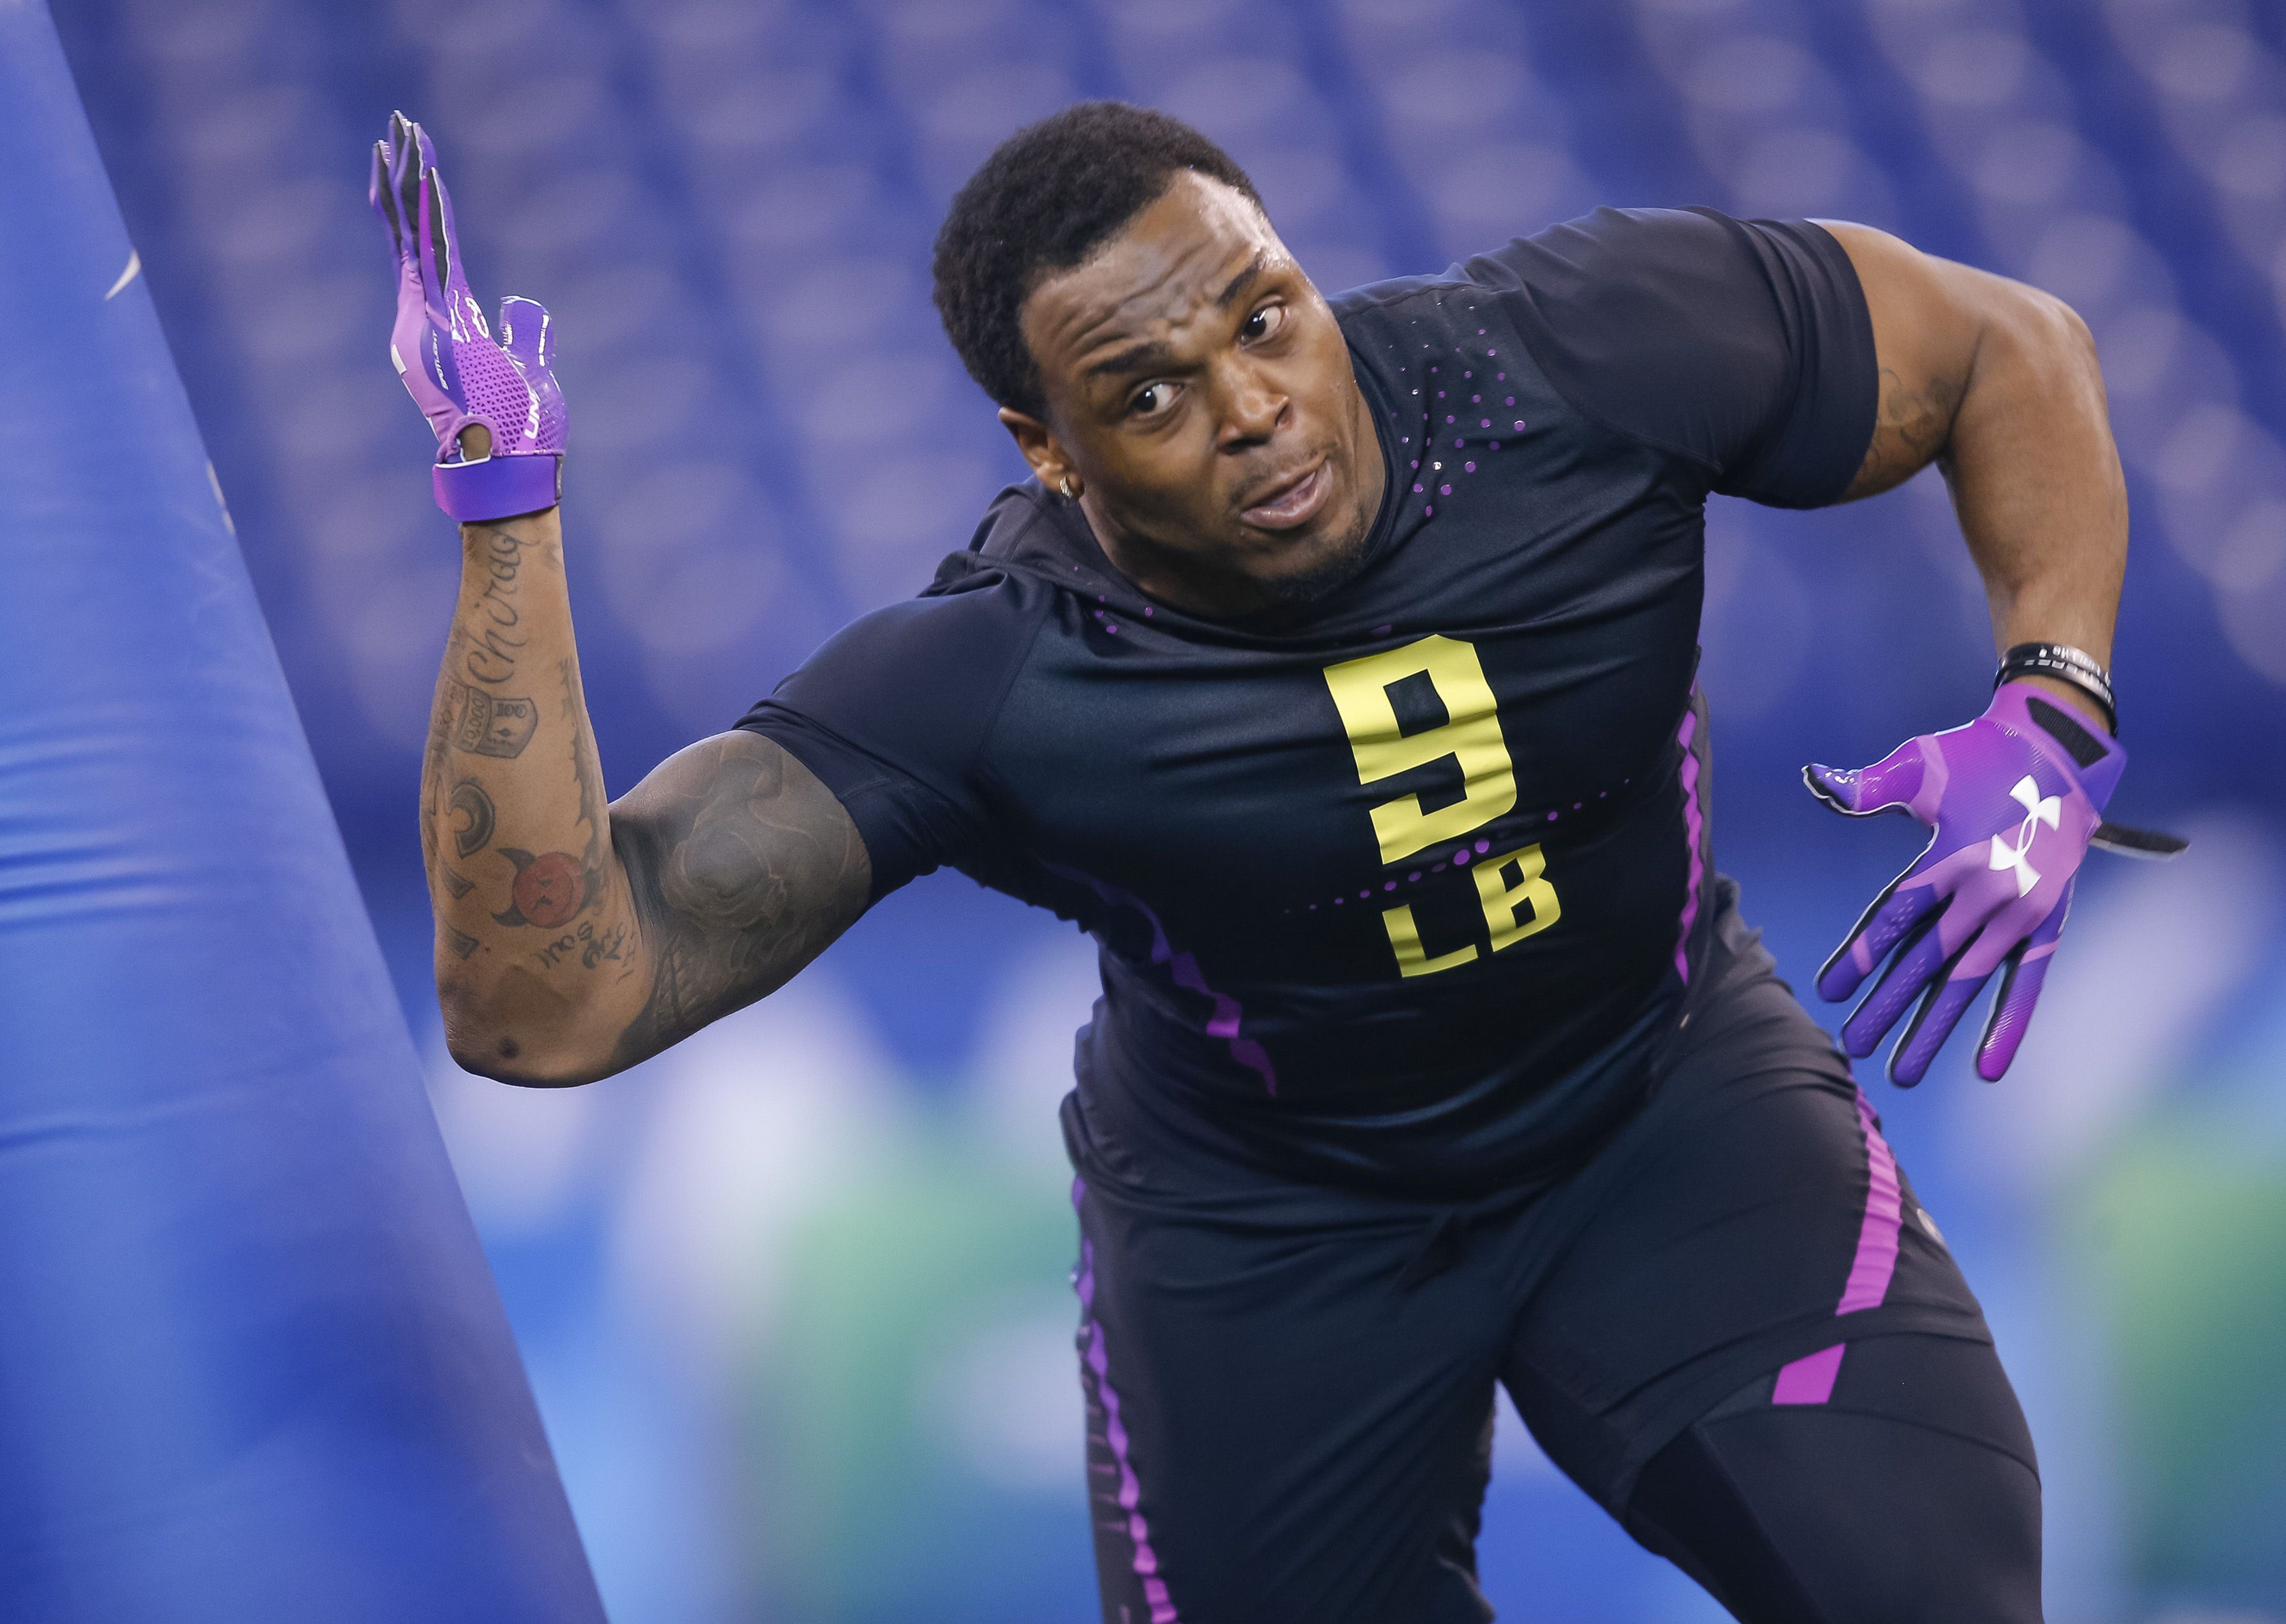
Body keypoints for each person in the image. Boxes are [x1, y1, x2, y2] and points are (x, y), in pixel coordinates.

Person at [372, 99, 2164, 1621]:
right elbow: (547, 1002)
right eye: (1148, 392)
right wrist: (504, 517)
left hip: (1663, 1108)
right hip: (1276, 1235)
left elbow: (2011, 349)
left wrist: (2054, 712)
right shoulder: (1003, 672)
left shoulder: (1578, 354)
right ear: (1045, 451)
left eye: (1264, 315)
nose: (1253, 406)